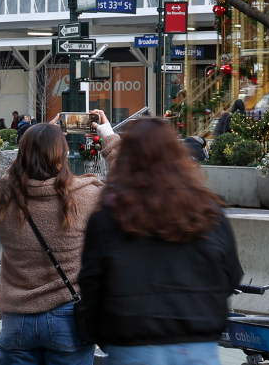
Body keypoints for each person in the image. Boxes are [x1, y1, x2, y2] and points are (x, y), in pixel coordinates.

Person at [78, 118, 243, 365]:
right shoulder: (209, 211)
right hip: (197, 346)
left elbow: (91, 285)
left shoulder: (108, 216)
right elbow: (230, 275)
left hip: (132, 345)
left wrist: (103, 335)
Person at [0, 123, 103, 365]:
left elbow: (7, 177)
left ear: (21, 154)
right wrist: (108, 136)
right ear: (63, 154)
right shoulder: (87, 196)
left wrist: (34, 141)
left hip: (16, 318)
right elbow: (132, 183)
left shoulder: (1, 197)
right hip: (68, 318)